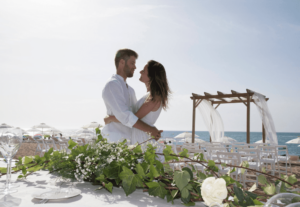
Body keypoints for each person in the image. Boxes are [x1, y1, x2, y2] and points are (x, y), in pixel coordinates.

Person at [104, 59, 171, 146]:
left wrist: (110, 118)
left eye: (143, 71)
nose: (140, 71)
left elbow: (132, 118)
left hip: (142, 138)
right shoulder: (150, 96)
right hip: (140, 136)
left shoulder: (153, 97)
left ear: (151, 76)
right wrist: (151, 129)